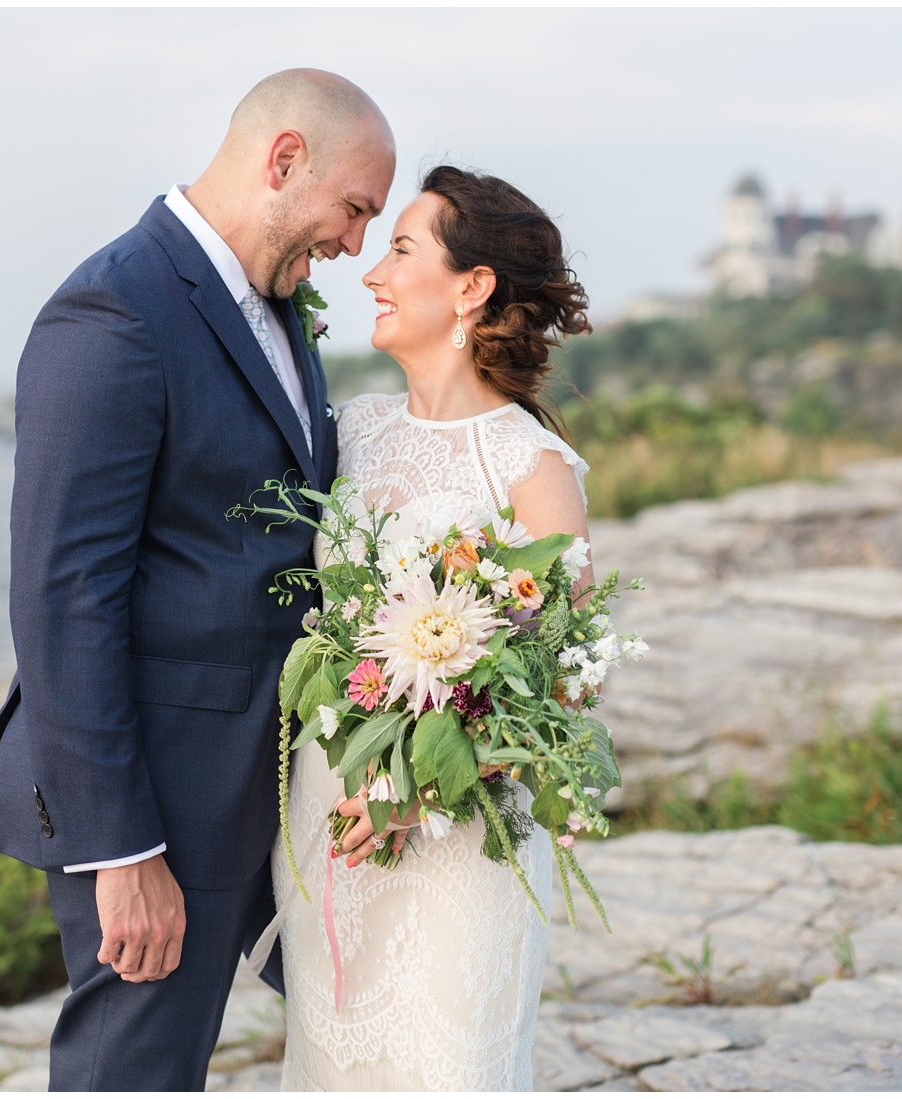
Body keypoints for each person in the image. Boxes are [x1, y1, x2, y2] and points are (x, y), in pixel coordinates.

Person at [0, 69, 396, 1091]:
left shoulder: (272, 305)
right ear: (284, 161)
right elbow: (63, 593)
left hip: (266, 784)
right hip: (155, 803)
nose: (356, 243)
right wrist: (121, 848)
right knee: (131, 1077)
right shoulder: (115, 311)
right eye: (354, 209)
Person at [271, 165, 595, 1089]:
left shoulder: (532, 469)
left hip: (459, 841)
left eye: (402, 247)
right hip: (326, 821)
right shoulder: (347, 431)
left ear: (472, 286)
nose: (372, 271)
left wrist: (410, 791)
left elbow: (561, 688)